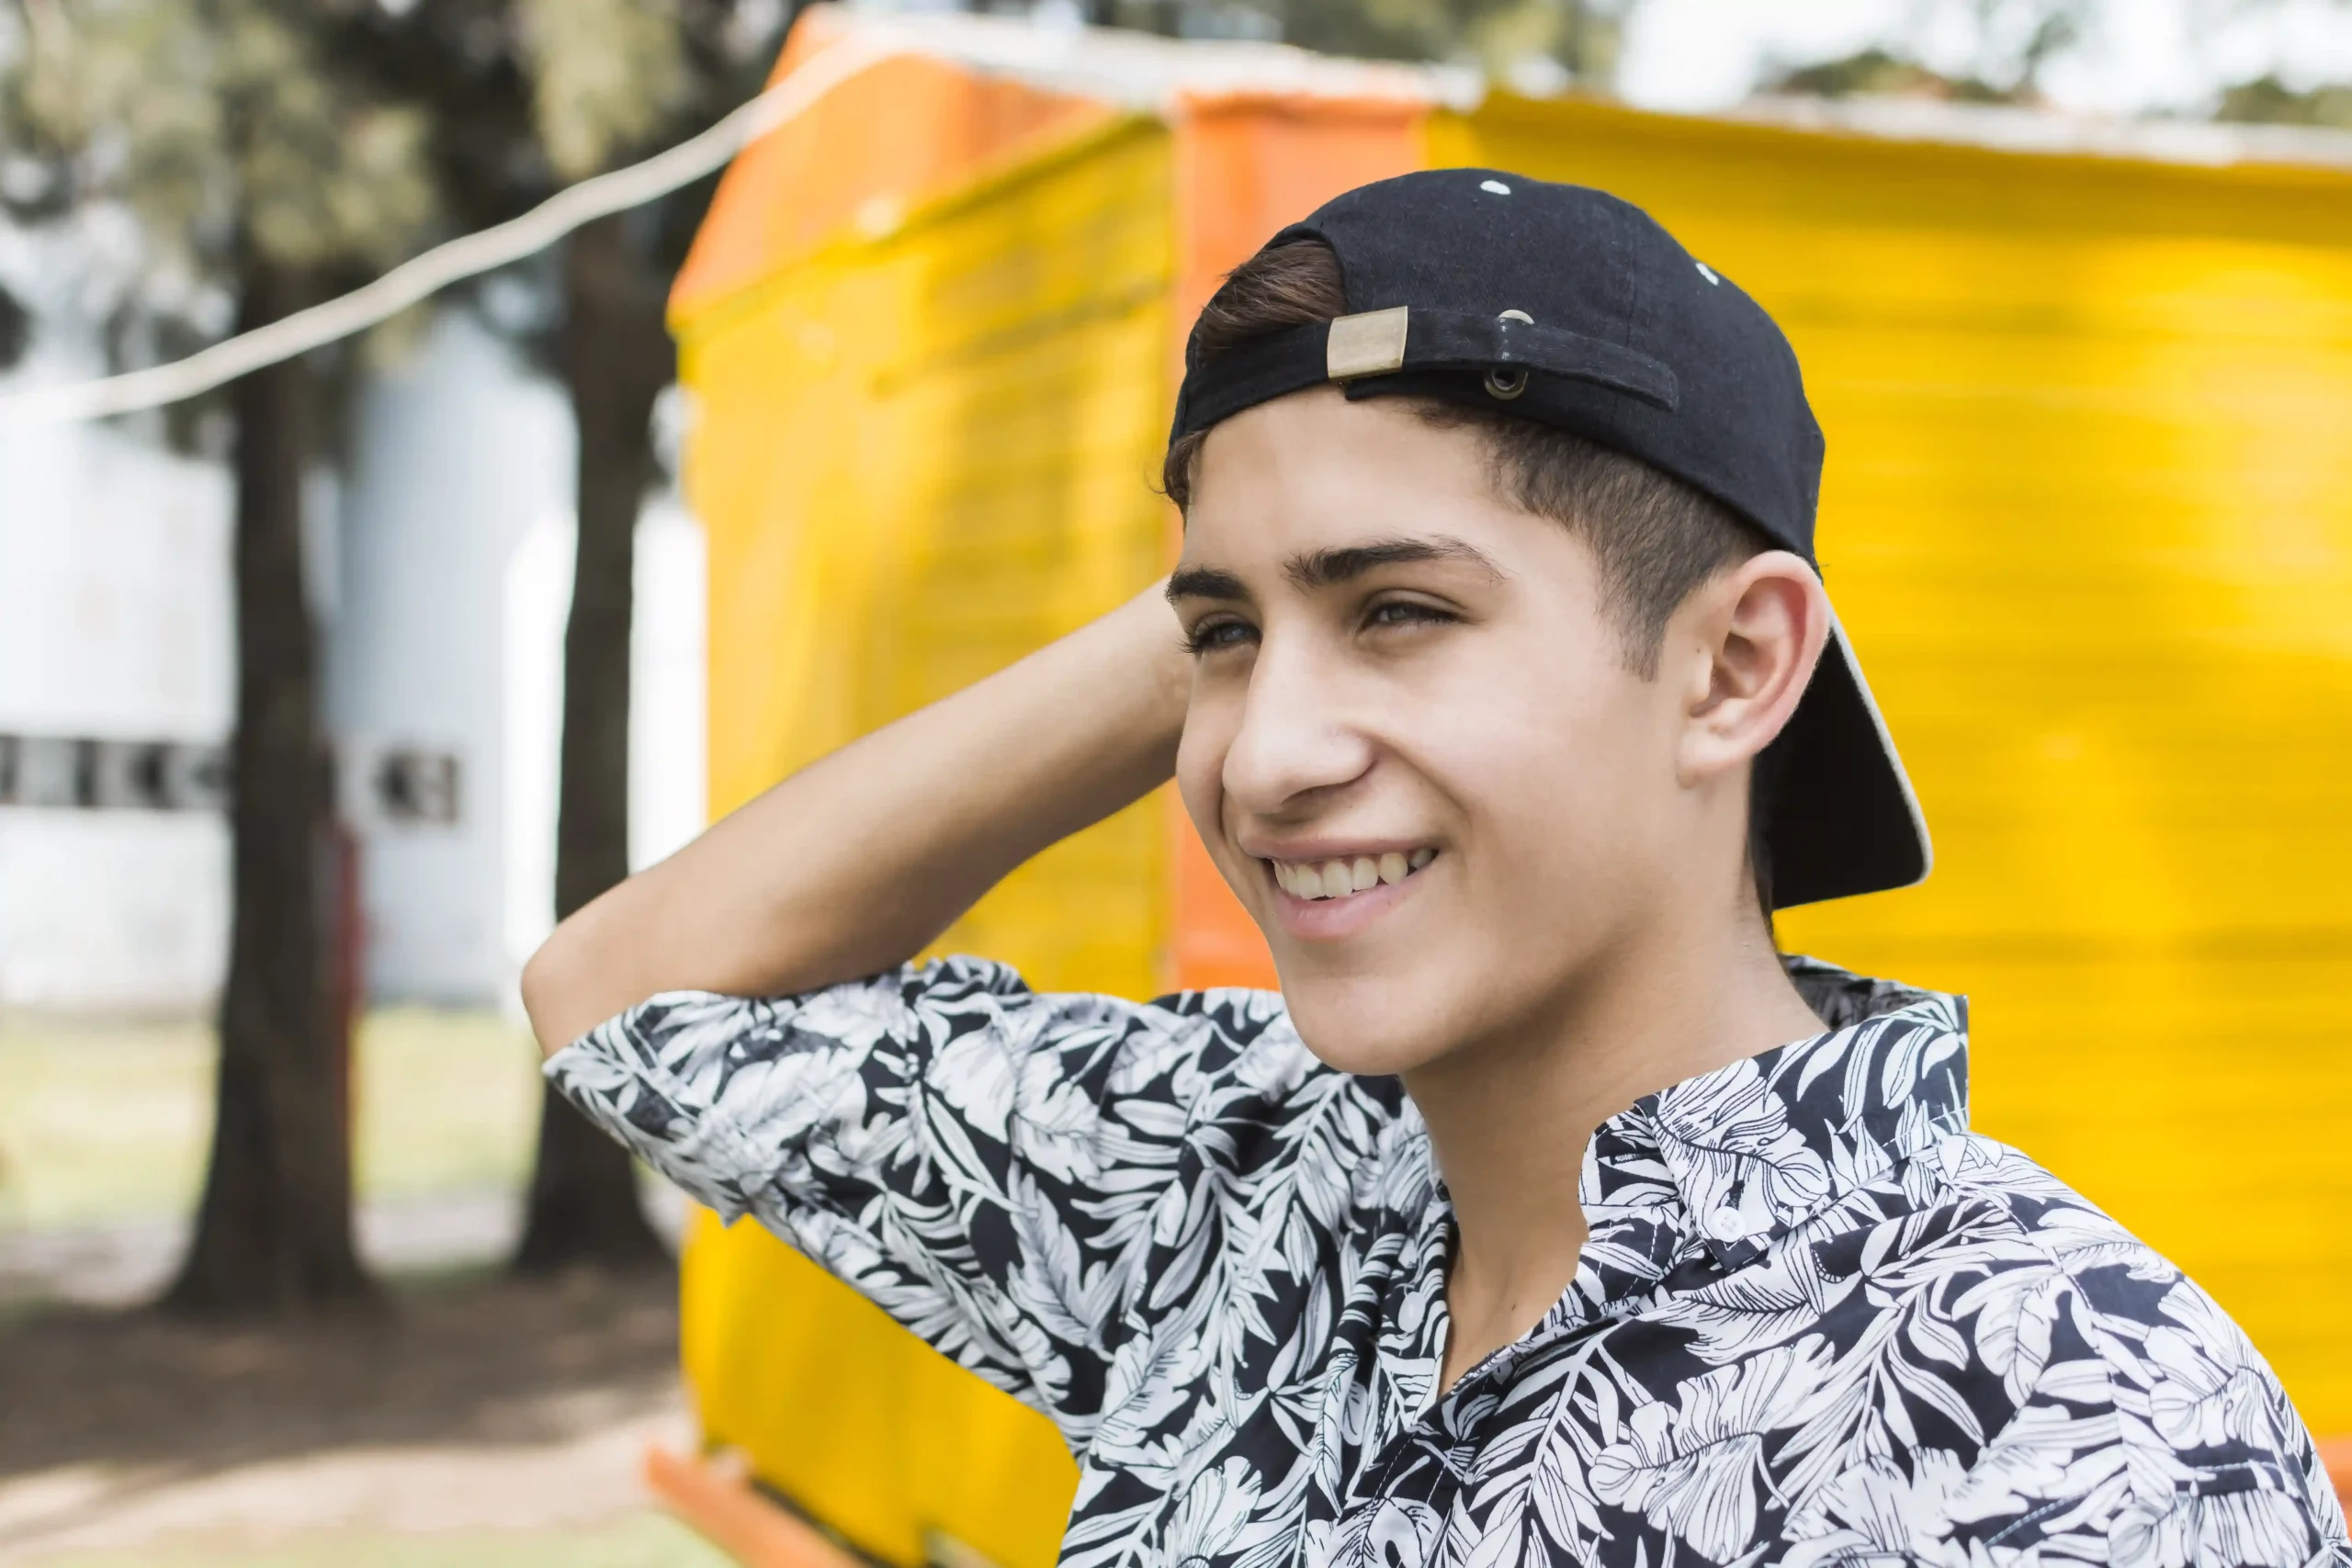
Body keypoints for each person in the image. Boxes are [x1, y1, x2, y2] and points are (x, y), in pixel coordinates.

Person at [525, 170, 2347, 1568]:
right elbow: (618, 999)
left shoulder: (2063, 1414)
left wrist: (1269, 584)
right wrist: (1240, 576)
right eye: (1219, 645)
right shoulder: (1233, 1188)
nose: (1257, 759)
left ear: (1732, 666)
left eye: (1401, 610)